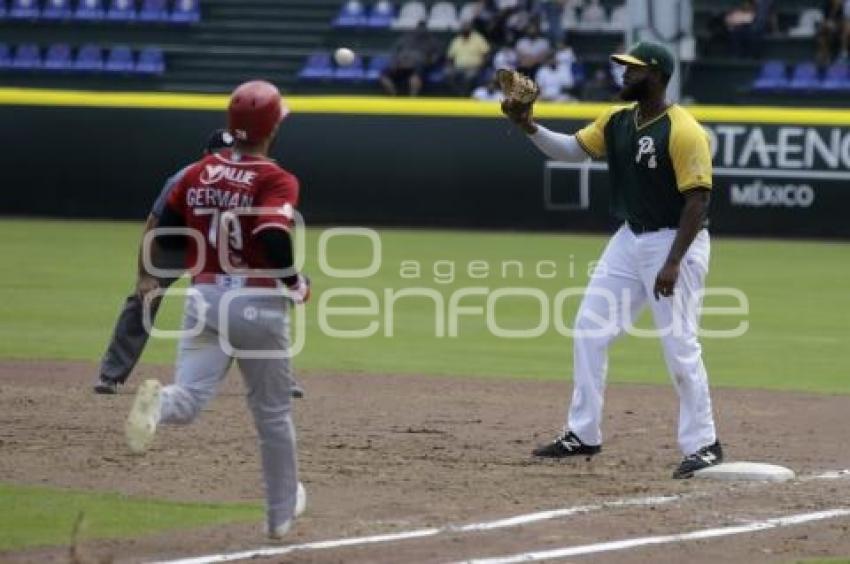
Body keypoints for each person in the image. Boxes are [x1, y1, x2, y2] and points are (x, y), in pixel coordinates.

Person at [501, 41, 723, 479]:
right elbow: (571, 150)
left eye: (633, 69)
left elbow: (697, 201)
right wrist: (528, 126)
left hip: (676, 240)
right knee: (590, 328)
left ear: (657, 76)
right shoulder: (617, 120)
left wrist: (674, 261)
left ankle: (705, 443)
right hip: (630, 237)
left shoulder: (683, 130)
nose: (624, 74)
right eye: (624, 67)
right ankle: (583, 433)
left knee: (679, 346)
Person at [124, 80, 310, 538]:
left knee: (188, 399)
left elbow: (165, 227)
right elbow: (271, 234)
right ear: (273, 126)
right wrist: (294, 281)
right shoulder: (275, 177)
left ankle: (158, 405)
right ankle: (279, 515)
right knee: (271, 414)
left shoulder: (197, 172)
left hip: (203, 297)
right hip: (257, 302)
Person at [93, 131, 305, 399]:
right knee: (144, 299)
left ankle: (279, 378)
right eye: (219, 153)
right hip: (178, 244)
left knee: (258, 297)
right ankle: (110, 375)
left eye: (229, 153)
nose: (224, 159)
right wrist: (145, 274)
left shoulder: (254, 177)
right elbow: (154, 225)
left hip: (222, 249)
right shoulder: (186, 177)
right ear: (206, 155)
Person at [380, 20, 441, 96]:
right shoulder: (405, 38)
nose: (421, 30)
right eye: (419, 27)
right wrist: (395, 62)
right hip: (400, 65)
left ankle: (412, 100)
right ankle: (394, 96)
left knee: (415, 78)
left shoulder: (432, 41)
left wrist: (427, 62)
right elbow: (394, 52)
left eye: (423, 28)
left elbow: (436, 56)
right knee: (384, 76)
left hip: (418, 66)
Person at [446, 20, 491, 95]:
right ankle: (457, 93)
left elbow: (486, 54)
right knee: (448, 74)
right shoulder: (457, 40)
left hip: (474, 67)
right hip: (458, 68)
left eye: (467, 27)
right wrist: (450, 67)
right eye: (463, 28)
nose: (465, 29)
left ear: (471, 28)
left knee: (468, 77)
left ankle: (465, 95)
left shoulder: (478, 39)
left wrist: (481, 66)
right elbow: (450, 56)